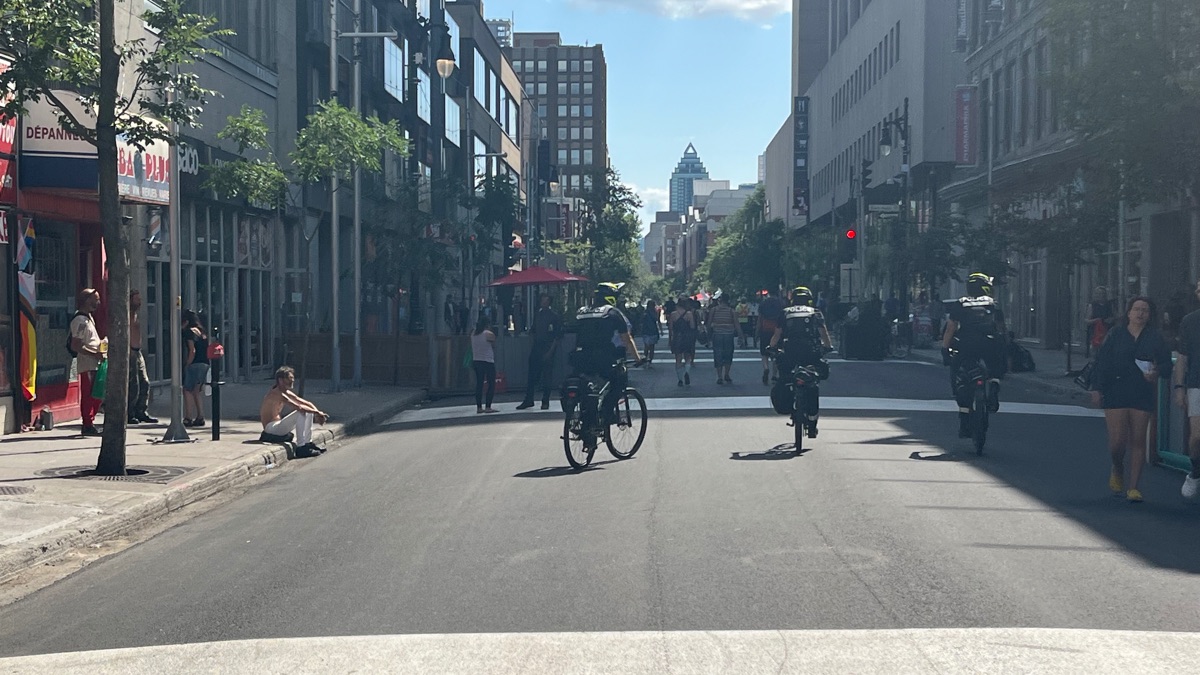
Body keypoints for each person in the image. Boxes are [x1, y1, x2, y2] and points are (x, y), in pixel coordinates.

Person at [1091, 296, 1173, 502]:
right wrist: (1097, 389)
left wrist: (1156, 372)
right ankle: (1117, 467)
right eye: (1136, 309)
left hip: (1142, 390)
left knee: (1138, 440)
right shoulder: (1116, 334)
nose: (1140, 313)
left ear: (1149, 314)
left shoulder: (1155, 337)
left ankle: (1134, 487)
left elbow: (1166, 365)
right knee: (1117, 443)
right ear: (1128, 313)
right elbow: (1101, 362)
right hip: (1115, 389)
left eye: (1144, 310)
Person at [942, 273, 1007, 439]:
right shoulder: (993, 304)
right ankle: (994, 385)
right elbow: (1001, 327)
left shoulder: (961, 303)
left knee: (960, 376)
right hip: (990, 343)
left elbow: (951, 328)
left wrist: (945, 349)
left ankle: (965, 423)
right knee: (995, 367)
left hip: (967, 344)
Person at [768, 286, 833, 438]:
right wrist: (828, 347)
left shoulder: (786, 312)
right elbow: (824, 332)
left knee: (785, 377)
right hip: (811, 351)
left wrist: (771, 348)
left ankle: (791, 407)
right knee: (812, 382)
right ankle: (812, 423)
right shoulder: (815, 312)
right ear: (809, 299)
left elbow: (777, 334)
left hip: (790, 350)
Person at [569, 282, 642, 416]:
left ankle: (587, 420)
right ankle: (606, 414)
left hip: (580, 358)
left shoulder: (582, 312)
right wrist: (638, 359)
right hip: (603, 357)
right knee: (618, 383)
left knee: (587, 387)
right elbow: (627, 338)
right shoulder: (612, 313)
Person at [260, 366, 328, 457]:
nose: (292, 380)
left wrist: (318, 412)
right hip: (271, 428)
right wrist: (317, 413)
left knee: (308, 411)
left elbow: (305, 402)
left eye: (293, 378)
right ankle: (301, 447)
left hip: (278, 425)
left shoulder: (285, 392)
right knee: (301, 412)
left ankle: (308, 443)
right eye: (289, 378)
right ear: (280, 380)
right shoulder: (276, 393)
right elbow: (298, 407)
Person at [1173, 279, 1200, 499]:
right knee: (1196, 437)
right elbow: (1182, 357)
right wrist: (1179, 387)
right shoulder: (1190, 321)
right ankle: (1195, 472)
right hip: (1197, 383)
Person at [69, 288, 105, 436]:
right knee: (90, 394)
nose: (98, 302)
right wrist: (94, 354)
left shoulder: (89, 318)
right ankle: (87, 424)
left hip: (96, 362)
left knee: (97, 393)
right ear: (86, 300)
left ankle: (90, 421)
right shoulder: (80, 320)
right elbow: (76, 344)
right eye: (95, 299)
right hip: (88, 363)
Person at [517, 294, 562, 410]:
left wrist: (550, 351)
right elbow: (533, 330)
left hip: (547, 347)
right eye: (542, 300)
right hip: (537, 347)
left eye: (546, 300)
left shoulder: (554, 316)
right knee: (531, 375)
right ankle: (529, 399)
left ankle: (545, 400)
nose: (543, 302)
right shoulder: (538, 314)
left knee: (547, 375)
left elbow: (557, 336)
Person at [127, 290, 157, 425]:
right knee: (134, 385)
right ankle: (130, 412)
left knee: (144, 382)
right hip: (130, 352)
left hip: (137, 351)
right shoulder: (126, 315)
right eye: (137, 299)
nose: (139, 302)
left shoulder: (136, 315)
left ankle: (141, 411)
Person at [182, 310, 210, 427]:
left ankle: (188, 417)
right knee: (196, 391)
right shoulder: (202, 332)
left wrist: (187, 364)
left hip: (195, 363)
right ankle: (200, 416)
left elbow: (192, 350)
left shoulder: (189, 332)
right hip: (204, 363)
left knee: (187, 390)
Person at [708, 293, 742, 384]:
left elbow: (709, 323)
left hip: (717, 334)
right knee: (728, 354)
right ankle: (726, 374)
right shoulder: (732, 311)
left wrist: (708, 336)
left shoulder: (713, 310)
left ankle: (719, 376)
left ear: (720, 300)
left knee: (718, 354)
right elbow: (737, 324)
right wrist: (740, 336)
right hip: (728, 335)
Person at [668, 294, 697, 387]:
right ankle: (686, 372)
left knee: (678, 359)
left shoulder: (673, 314)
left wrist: (670, 339)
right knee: (688, 358)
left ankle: (680, 379)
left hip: (677, 337)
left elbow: (671, 329)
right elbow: (692, 327)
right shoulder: (689, 314)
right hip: (687, 337)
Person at [471, 316, 498, 414]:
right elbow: (494, 345)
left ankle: (479, 407)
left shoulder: (473, 333)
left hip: (476, 361)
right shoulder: (488, 334)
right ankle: (488, 406)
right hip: (488, 361)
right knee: (491, 384)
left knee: (479, 384)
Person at [757, 288, 784, 384]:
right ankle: (774, 375)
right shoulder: (781, 304)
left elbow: (760, 319)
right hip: (777, 330)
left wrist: (757, 332)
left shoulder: (763, 304)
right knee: (776, 352)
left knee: (764, 353)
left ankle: (766, 367)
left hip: (765, 329)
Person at [1086, 286, 1115, 358]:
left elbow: (1116, 316)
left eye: (1102, 294)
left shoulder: (1110, 305)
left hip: (1107, 331)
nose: (1100, 295)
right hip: (1095, 332)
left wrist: (1111, 319)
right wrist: (1096, 320)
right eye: (1098, 294)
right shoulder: (1092, 306)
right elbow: (1087, 320)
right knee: (1095, 352)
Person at [640, 300, 662, 365]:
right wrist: (661, 330)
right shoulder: (653, 312)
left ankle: (646, 359)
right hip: (652, 331)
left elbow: (641, 321)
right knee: (651, 347)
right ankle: (649, 360)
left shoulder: (645, 312)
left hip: (647, 331)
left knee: (647, 347)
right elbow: (657, 320)